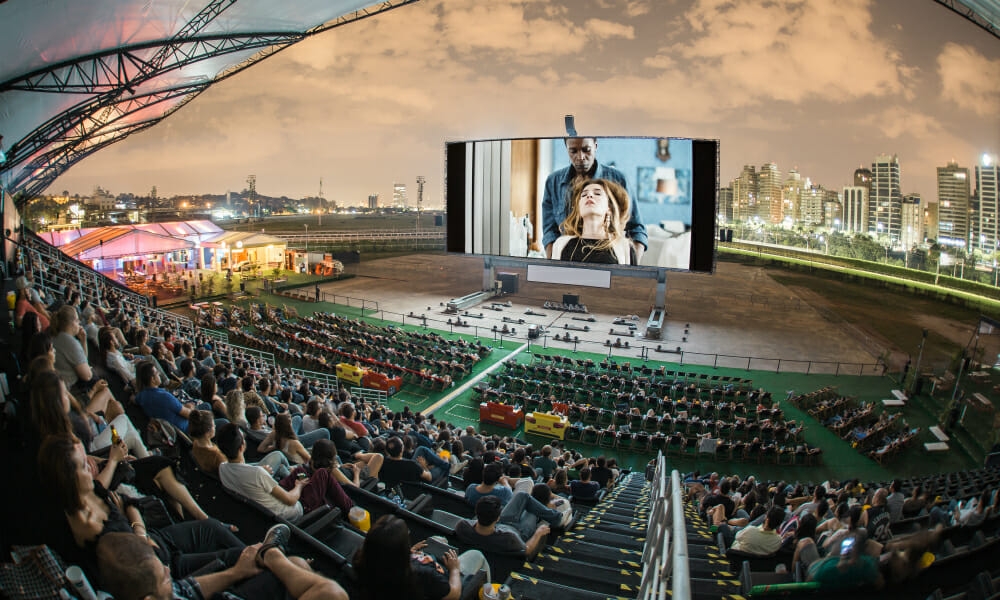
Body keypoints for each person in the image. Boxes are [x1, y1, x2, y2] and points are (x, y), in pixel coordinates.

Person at [96, 526, 349, 600]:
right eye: (163, 575)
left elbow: (185, 590)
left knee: (295, 564)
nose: (166, 570)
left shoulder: (159, 593)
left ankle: (275, 556)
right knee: (330, 592)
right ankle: (272, 553)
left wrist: (236, 572)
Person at [541, 137, 646, 261]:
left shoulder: (618, 179)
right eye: (573, 151)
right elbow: (549, 231)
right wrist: (554, 261)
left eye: (586, 150)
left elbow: (637, 230)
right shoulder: (554, 182)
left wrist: (631, 264)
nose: (580, 157)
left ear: (595, 146)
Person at [355, 515, 489, 600]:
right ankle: (490, 593)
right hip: (444, 582)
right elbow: (453, 595)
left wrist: (410, 552)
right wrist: (454, 569)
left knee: (438, 540)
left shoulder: (361, 559)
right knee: (477, 555)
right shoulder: (420, 574)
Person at [217, 423, 307, 521]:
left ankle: (292, 471)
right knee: (299, 477)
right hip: (283, 514)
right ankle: (297, 474)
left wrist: (261, 470)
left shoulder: (222, 468)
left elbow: (241, 468)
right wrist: (299, 486)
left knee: (281, 467)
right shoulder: (257, 473)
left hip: (257, 510)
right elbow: (291, 500)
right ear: (241, 447)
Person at [550, 179, 633, 265]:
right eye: (584, 195)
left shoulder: (624, 247)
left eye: (597, 193)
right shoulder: (561, 244)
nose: (589, 195)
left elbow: (631, 278)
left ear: (609, 208)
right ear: (578, 209)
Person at [455, 496, 552, 558]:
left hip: (500, 525)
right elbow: (526, 550)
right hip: (520, 532)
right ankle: (556, 516)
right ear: (498, 518)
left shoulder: (462, 526)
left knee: (522, 495)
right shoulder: (510, 539)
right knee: (532, 511)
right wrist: (538, 533)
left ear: (476, 512)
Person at [134, 361, 192, 433]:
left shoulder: (141, 396)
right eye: (157, 373)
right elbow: (190, 415)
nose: (159, 373)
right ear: (153, 379)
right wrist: (190, 407)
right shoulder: (165, 397)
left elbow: (134, 399)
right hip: (186, 429)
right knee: (206, 406)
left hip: (169, 430)